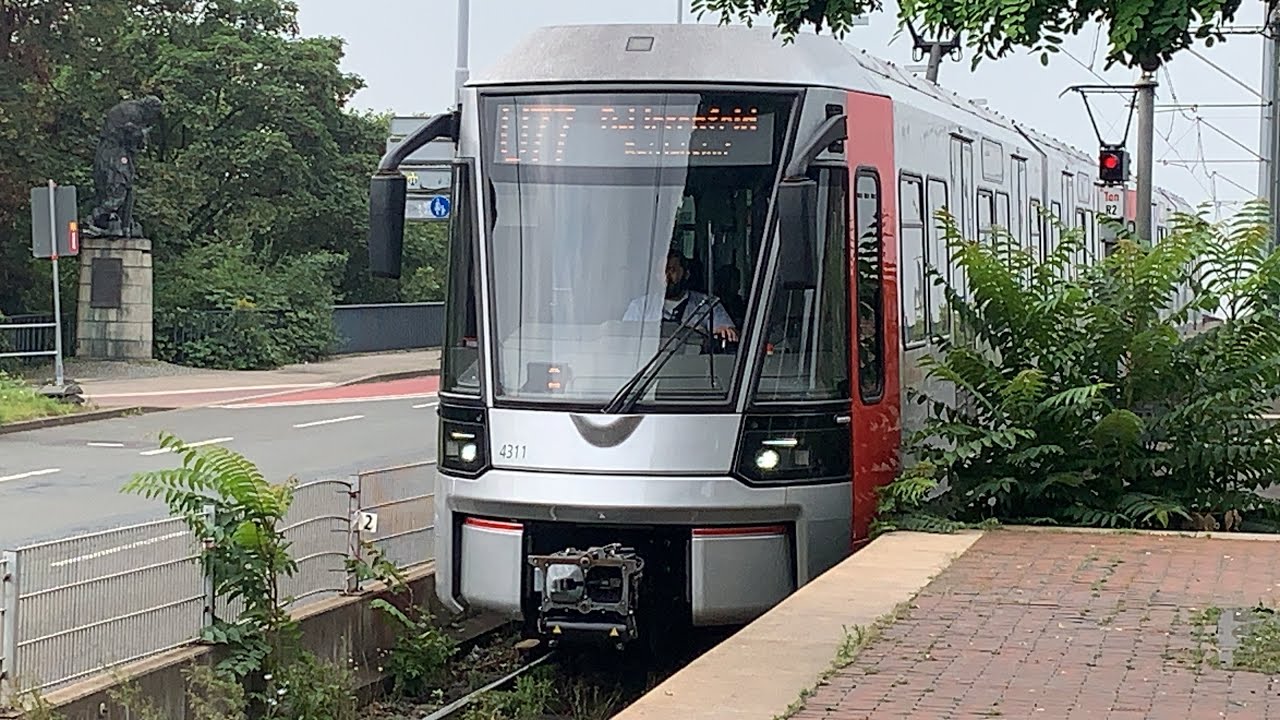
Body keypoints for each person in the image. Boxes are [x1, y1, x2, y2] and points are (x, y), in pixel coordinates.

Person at [623, 250, 738, 342]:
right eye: (661, 272)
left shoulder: (707, 304)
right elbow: (624, 339)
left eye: (671, 270)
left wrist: (724, 332)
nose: (666, 277)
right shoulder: (639, 307)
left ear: (686, 274)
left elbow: (729, 332)